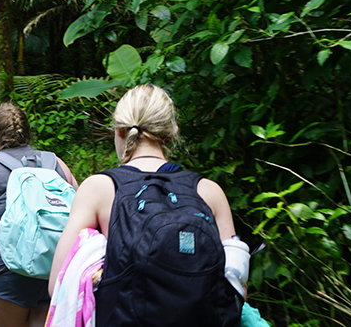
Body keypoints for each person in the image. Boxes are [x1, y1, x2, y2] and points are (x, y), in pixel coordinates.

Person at [48, 84, 239, 326]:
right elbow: (236, 283)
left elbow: (58, 284)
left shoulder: (99, 188)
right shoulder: (209, 191)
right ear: (171, 133)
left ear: (119, 131)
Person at [0, 103, 79, 326]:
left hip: (8, 270)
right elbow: (80, 219)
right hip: (54, 269)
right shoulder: (58, 164)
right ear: (27, 133)